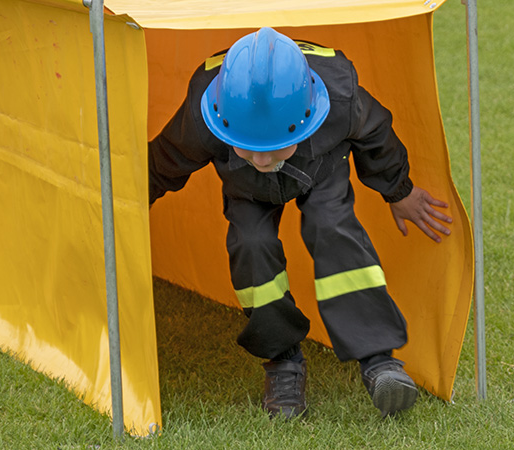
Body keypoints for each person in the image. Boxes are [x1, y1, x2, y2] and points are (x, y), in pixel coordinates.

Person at [149, 27, 452, 419]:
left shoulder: (341, 99)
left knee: (333, 228)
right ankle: (283, 361)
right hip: (245, 187)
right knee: (251, 245)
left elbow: (377, 135)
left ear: (310, 113)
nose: (262, 159)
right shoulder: (205, 112)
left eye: (275, 146)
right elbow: (165, 160)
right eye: (249, 146)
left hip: (320, 166)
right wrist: (128, 202)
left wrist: (399, 190)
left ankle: (379, 361)